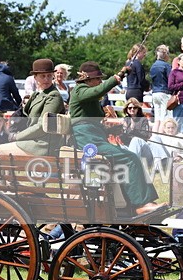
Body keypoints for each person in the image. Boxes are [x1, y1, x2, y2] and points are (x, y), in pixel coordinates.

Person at [68, 61, 161, 215]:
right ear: (87, 79)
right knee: (130, 158)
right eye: (97, 78)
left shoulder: (88, 97)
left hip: (94, 137)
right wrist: (117, 77)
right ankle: (140, 204)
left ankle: (134, 204)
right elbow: (98, 91)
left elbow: (93, 121)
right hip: (87, 141)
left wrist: (110, 129)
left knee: (128, 156)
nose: (100, 81)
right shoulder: (79, 90)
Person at [0, 59, 64, 157]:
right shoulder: (37, 95)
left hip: (41, 145)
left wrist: (16, 136)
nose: (46, 79)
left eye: (49, 76)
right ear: (35, 77)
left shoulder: (53, 96)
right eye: (43, 76)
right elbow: (24, 116)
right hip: (30, 141)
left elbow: (42, 126)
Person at [149, 44, 172, 133]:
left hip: (155, 93)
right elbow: (170, 80)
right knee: (164, 117)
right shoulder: (166, 66)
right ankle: (162, 136)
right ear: (166, 54)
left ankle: (155, 136)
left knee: (157, 118)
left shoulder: (153, 66)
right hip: (164, 92)